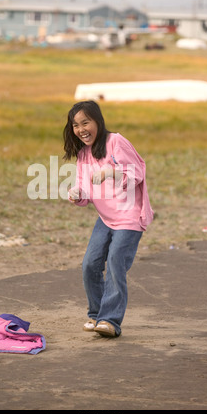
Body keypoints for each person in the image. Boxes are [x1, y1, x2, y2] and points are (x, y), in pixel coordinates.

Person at [63, 100, 153, 337]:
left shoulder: (116, 141)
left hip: (129, 217)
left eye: (86, 122)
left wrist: (111, 172)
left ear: (98, 122)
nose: (81, 129)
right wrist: (76, 194)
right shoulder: (83, 154)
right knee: (90, 264)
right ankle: (96, 315)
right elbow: (83, 189)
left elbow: (138, 172)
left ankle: (110, 320)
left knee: (115, 262)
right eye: (76, 125)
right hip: (105, 218)